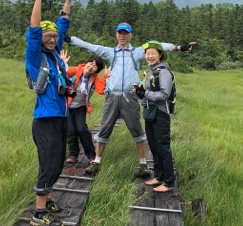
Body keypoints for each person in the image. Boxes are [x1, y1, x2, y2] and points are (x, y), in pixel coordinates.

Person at [65, 22, 195, 177]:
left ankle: (143, 164)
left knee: (137, 130)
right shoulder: (110, 52)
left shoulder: (137, 52)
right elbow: (90, 46)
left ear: (130, 35)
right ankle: (96, 161)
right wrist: (69, 39)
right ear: (116, 35)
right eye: (120, 33)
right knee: (104, 129)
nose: (122, 36)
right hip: (112, 96)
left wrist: (178, 47)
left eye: (125, 33)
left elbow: (157, 46)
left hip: (130, 96)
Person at [24, 0, 72, 226]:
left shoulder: (54, 54)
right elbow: (34, 31)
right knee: (48, 163)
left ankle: (49, 200)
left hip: (61, 116)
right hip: (44, 119)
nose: (52, 39)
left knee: (58, 161)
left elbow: (62, 24)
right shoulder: (35, 56)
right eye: (48, 36)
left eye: (54, 36)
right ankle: (38, 214)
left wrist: (67, 2)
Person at [133, 41, 176, 193]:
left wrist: (145, 93)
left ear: (160, 55)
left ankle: (169, 182)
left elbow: (164, 94)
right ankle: (159, 176)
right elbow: (149, 94)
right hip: (150, 113)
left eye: (153, 53)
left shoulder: (163, 72)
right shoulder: (150, 71)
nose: (149, 56)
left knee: (163, 147)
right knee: (154, 145)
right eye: (147, 53)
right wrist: (140, 92)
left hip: (161, 114)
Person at [63, 52, 110, 164]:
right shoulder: (75, 70)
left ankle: (91, 155)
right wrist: (62, 63)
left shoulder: (94, 79)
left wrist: (106, 77)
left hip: (80, 107)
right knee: (71, 130)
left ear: (96, 70)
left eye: (95, 66)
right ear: (86, 63)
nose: (91, 67)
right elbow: (61, 75)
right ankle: (73, 154)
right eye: (90, 63)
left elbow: (102, 90)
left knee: (81, 129)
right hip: (66, 106)